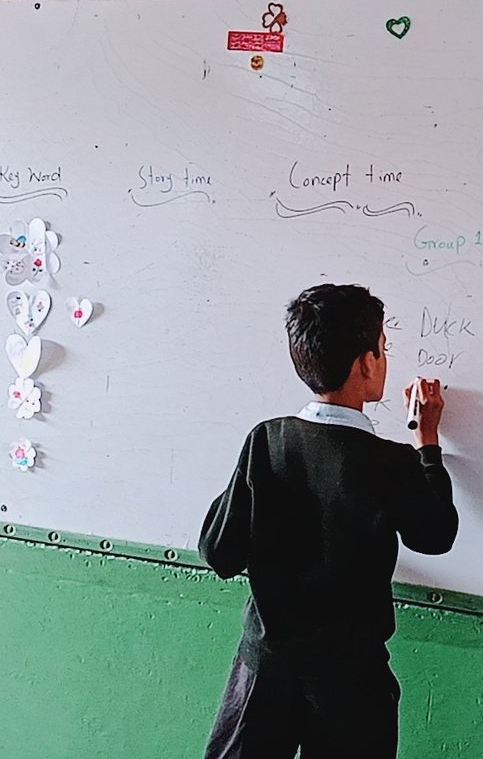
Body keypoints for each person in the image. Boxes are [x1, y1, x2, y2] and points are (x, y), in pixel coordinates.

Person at [199, 283, 459, 759]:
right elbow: (437, 534)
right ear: (366, 363)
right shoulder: (390, 462)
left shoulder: (267, 441)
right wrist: (428, 446)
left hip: (266, 671)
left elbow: (219, 552)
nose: (384, 359)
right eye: (383, 348)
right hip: (351, 682)